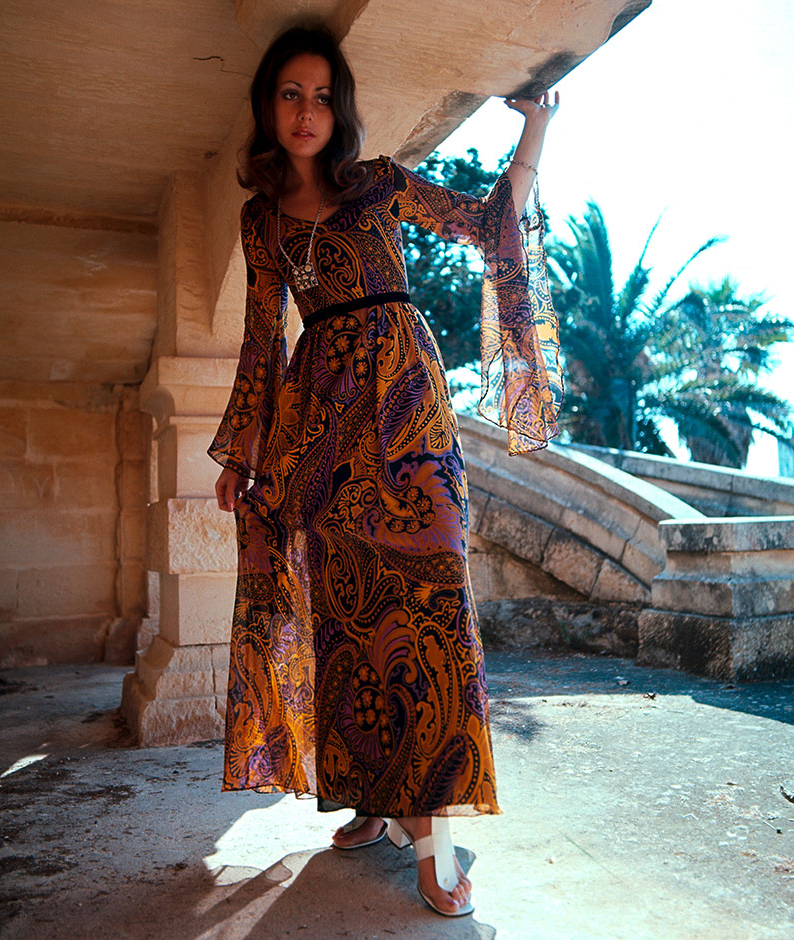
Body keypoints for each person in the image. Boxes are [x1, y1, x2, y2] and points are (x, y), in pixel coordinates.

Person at [209, 23, 562, 917]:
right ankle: (371, 797)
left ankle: (433, 838)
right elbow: (261, 339)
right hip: (319, 427)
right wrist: (242, 451)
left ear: (344, 108)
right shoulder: (261, 218)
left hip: (409, 411)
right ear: (267, 105)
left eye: (323, 94)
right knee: (349, 612)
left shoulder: (377, 185)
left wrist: (534, 134)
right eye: (291, 93)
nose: (307, 110)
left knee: (434, 605)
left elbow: (486, 227)